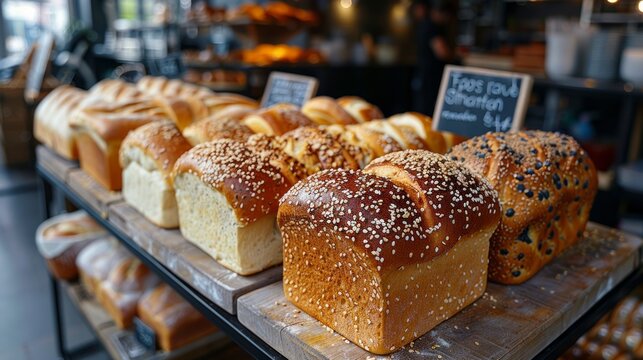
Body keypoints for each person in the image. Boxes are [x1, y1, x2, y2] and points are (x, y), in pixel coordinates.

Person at [412, 0, 458, 115]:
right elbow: (441, 52)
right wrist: (455, 54)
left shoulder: (424, 25)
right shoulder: (432, 27)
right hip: (430, 77)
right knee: (429, 110)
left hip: (424, 74)